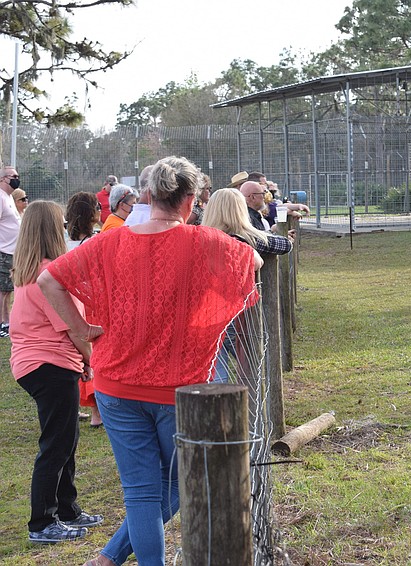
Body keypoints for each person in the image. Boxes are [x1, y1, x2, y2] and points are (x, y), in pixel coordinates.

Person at [39, 156, 261, 566]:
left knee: (142, 493)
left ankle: (109, 558)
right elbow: (253, 263)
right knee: (175, 486)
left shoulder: (109, 241)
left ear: (146, 195)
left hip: (116, 386)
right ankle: (110, 557)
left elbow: (48, 280)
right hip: (180, 390)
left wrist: (80, 330)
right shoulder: (206, 241)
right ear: (191, 199)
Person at [10, 200, 103, 544]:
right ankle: (42, 522)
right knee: (56, 444)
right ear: (53, 229)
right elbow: (75, 327)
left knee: (66, 439)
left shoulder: (29, 271)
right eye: (61, 222)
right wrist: (92, 360)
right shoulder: (50, 274)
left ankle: (67, 508)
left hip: (35, 363)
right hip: (49, 363)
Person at [202, 188, 294, 383]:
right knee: (252, 370)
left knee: (215, 374)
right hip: (238, 318)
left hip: (206, 317)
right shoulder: (246, 239)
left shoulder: (200, 237)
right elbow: (285, 245)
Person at [65, 191, 103, 427]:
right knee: (94, 355)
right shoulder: (95, 242)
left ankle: (91, 409)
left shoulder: (63, 242)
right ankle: (98, 412)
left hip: (73, 305)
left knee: (82, 357)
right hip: (92, 304)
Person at [0, 165, 22, 338]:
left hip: (12, 251)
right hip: (3, 251)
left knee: (8, 290)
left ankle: (6, 321)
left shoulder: (8, 197)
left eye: (17, 175)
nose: (16, 178)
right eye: (12, 176)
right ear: (2, 178)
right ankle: (2, 323)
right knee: (2, 290)